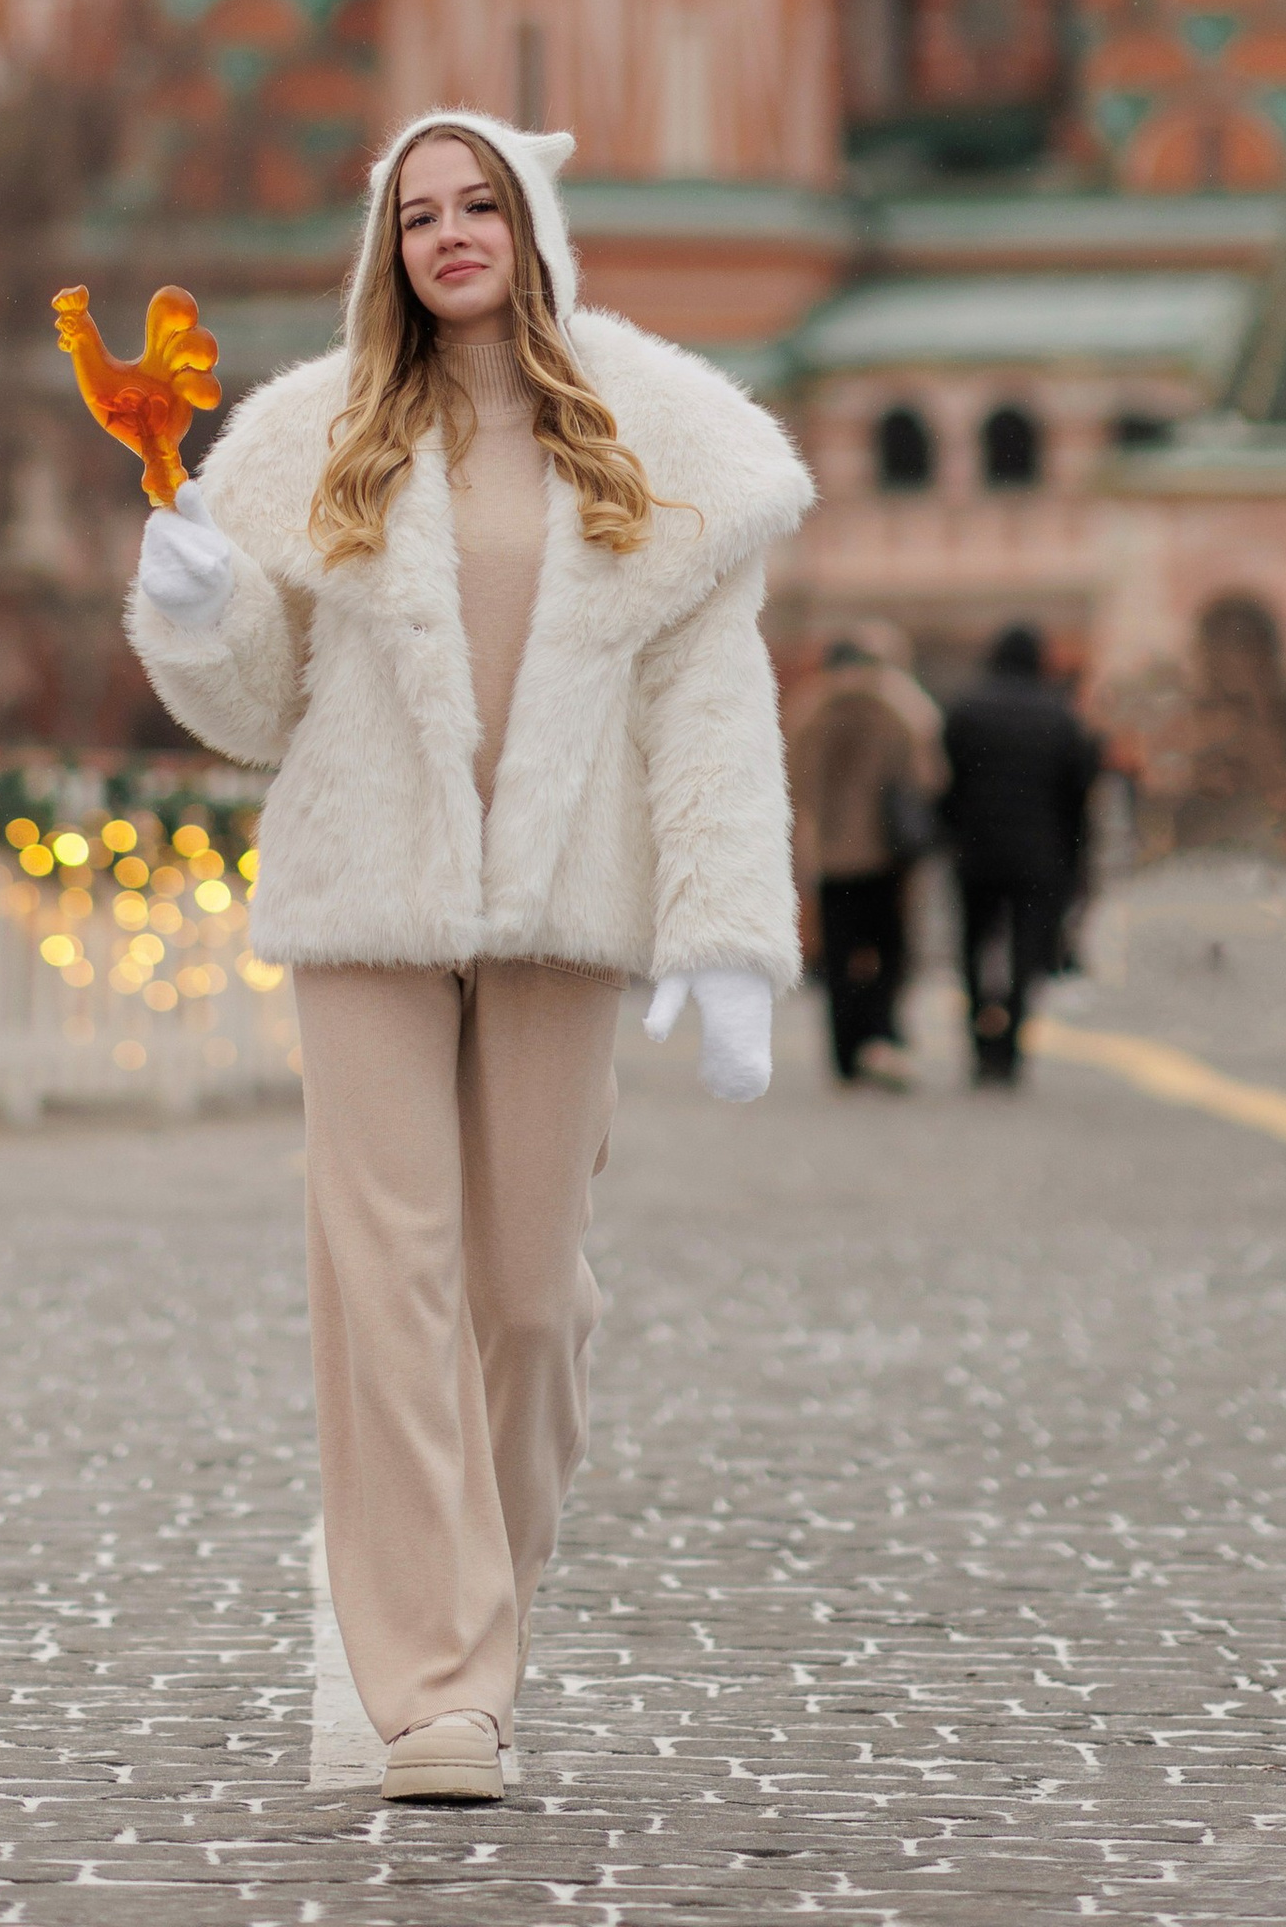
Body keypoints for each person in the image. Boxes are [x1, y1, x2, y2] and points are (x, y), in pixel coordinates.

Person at [125, 109, 812, 1804]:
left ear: (531, 227)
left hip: (565, 911)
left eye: (476, 205)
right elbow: (257, 711)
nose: (447, 234)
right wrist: (203, 609)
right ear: (390, 249)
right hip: (369, 897)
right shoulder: (316, 440)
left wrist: (729, 937)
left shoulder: (653, 443)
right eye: (418, 213)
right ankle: (439, 1682)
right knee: (390, 1275)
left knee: (525, 1297)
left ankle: (464, 1586)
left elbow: (709, 702)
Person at [940, 625, 1100, 1087]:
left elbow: (949, 787)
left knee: (973, 946)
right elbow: (1077, 797)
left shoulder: (966, 710)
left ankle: (979, 1041)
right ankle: (1010, 1041)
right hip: (1039, 855)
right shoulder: (1060, 716)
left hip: (977, 852)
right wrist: (1076, 863)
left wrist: (952, 834)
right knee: (1027, 951)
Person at [785, 634, 940, 1087]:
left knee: (837, 954)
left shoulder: (811, 708)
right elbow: (927, 775)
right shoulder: (901, 705)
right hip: (886, 855)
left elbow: (793, 779)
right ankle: (882, 1035)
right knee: (888, 951)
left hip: (830, 854)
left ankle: (844, 1052)